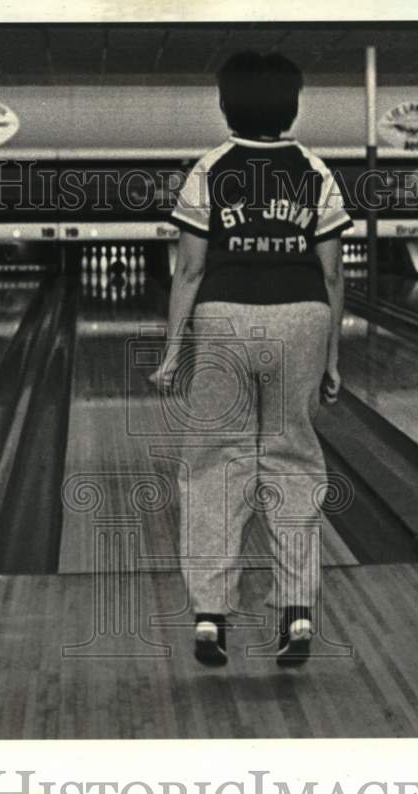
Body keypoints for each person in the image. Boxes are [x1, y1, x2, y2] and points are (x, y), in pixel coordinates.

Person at [149, 51, 351, 668]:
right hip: (303, 317)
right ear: (292, 106)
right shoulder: (317, 170)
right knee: (291, 462)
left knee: (215, 465)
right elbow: (334, 272)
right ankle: (297, 613)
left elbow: (189, 267)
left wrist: (171, 351)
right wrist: (332, 356)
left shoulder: (209, 169)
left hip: (225, 318)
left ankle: (211, 616)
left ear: (224, 104)